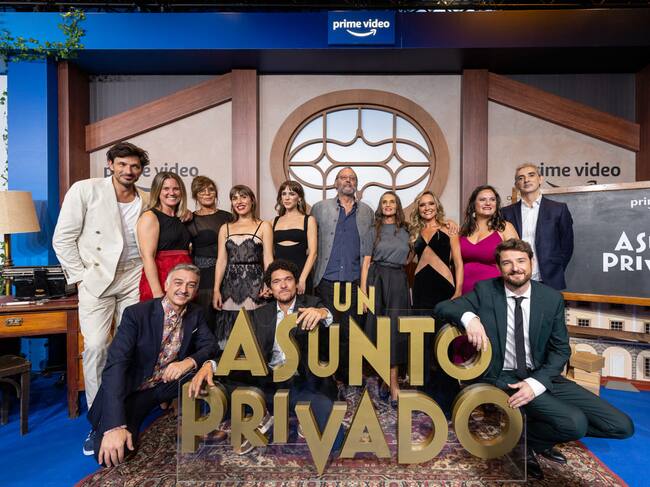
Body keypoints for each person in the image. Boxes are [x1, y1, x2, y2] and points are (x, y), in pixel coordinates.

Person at [434, 239, 633, 480]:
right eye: (507, 263)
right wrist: (470, 318)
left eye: (520, 261)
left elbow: (560, 350)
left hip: (541, 375)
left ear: (532, 262)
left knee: (621, 426)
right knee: (574, 423)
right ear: (498, 267)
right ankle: (528, 442)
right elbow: (442, 307)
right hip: (503, 377)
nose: (515, 268)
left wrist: (536, 383)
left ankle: (529, 438)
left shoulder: (550, 298)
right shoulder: (486, 291)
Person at [53, 141, 150, 455]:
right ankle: (101, 419)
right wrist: (80, 277)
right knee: (96, 346)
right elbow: (62, 238)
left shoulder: (147, 198)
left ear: (141, 170)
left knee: (129, 346)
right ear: (110, 164)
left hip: (133, 274)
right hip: (96, 277)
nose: (128, 171)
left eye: (134, 166)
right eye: (122, 164)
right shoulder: (86, 190)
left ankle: (124, 410)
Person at [189, 259, 342, 453]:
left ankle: (296, 416)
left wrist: (322, 313)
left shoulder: (312, 304)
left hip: (303, 382)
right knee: (218, 385)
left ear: (296, 283)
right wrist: (210, 365)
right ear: (270, 288)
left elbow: (334, 319)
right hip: (269, 381)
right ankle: (262, 416)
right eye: (277, 282)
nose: (283, 285)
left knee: (334, 439)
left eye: (288, 279)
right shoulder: (260, 314)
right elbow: (238, 350)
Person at [88, 264, 216, 467]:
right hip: (132, 391)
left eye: (191, 285)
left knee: (209, 373)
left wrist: (188, 362)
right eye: (178, 282)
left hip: (163, 386)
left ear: (195, 291)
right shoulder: (137, 314)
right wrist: (114, 426)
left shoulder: (195, 313)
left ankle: (194, 421)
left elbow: (210, 345)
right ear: (166, 285)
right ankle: (101, 425)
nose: (184, 289)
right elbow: (115, 367)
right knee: (111, 457)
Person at [310, 167, 374, 391]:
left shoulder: (367, 212)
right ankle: (328, 377)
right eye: (343, 178)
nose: (348, 181)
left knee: (351, 331)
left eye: (352, 178)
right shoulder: (319, 208)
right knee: (327, 330)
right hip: (326, 280)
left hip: (353, 281)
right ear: (335, 183)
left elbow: (368, 251)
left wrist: (364, 288)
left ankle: (348, 376)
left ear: (356, 184)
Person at [408, 190, 463, 415]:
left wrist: (458, 290)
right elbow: (408, 262)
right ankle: (425, 398)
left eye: (430, 204)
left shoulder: (449, 229)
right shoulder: (414, 233)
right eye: (422, 205)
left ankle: (447, 399)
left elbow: (458, 263)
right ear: (418, 209)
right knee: (422, 344)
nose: (427, 208)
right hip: (421, 291)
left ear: (436, 206)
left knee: (444, 343)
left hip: (444, 290)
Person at [360, 191, 410, 405]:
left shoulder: (407, 230)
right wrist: (363, 294)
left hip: (398, 281)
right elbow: (365, 263)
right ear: (381, 207)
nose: (388, 205)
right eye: (384, 202)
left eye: (392, 202)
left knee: (395, 332)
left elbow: (411, 256)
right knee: (378, 331)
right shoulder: (374, 230)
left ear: (397, 206)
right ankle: (386, 379)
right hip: (377, 279)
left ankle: (392, 382)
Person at [213, 185, 273, 349]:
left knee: (253, 326)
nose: (239, 201)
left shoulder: (264, 226)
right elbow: (221, 261)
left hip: (255, 283)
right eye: (235, 198)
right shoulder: (225, 228)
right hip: (229, 284)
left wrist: (268, 283)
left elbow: (268, 258)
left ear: (252, 200)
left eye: (243, 197)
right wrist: (216, 289)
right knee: (230, 328)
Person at [502, 163, 574, 290]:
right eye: (521, 178)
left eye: (531, 175)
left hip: (549, 279)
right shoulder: (506, 213)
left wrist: (555, 270)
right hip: (516, 276)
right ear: (517, 185)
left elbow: (567, 245)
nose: (526, 180)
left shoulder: (558, 209)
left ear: (540, 179)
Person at [185, 176, 233, 332]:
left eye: (211, 189)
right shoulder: (190, 219)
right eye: (201, 190)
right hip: (204, 275)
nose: (207, 193)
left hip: (228, 272)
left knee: (228, 316)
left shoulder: (228, 217)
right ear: (195, 195)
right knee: (206, 317)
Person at [136, 171, 192, 302]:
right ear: (157, 191)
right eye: (166, 188)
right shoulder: (150, 217)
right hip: (162, 280)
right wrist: (157, 293)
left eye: (176, 189)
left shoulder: (181, 217)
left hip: (184, 280)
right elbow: (147, 257)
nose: (171, 193)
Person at [459, 185, 518, 294]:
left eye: (492, 199)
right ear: (473, 204)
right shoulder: (463, 230)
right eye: (482, 200)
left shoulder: (504, 227)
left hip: (495, 291)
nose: (488, 203)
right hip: (465, 292)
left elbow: (517, 260)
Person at [272, 180, 318, 295]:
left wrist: (302, 279)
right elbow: (269, 254)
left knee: (302, 306)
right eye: (284, 194)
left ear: (299, 198)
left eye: (292, 194)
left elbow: (313, 253)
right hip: (279, 278)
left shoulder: (309, 220)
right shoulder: (273, 222)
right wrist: (272, 280)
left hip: (301, 275)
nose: (287, 198)